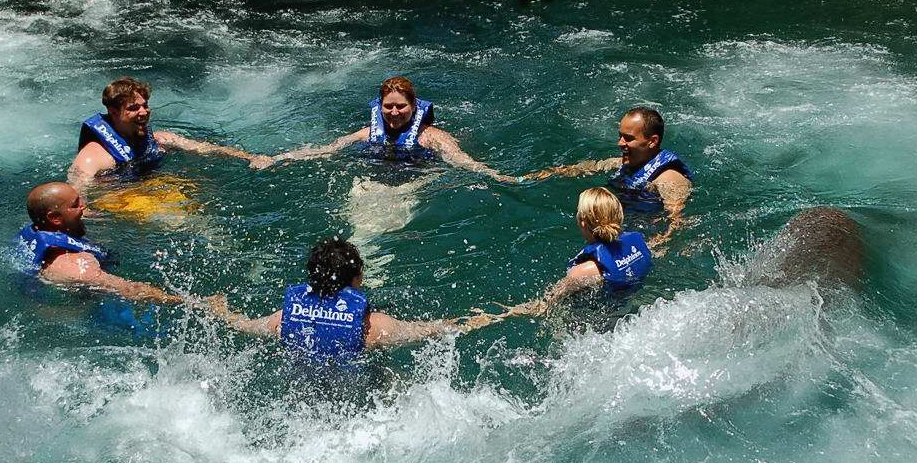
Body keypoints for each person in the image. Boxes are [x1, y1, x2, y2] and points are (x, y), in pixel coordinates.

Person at [209, 238, 493, 360]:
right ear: (357, 277)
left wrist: (216, 308)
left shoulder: (284, 320)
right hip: (359, 400)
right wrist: (510, 312)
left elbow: (241, 324)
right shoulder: (374, 328)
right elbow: (439, 329)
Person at [518, 106, 693, 253]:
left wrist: (651, 248)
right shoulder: (621, 164)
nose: (620, 143)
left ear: (652, 141)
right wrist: (522, 179)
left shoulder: (670, 178)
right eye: (620, 136)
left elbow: (676, 223)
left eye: (628, 138)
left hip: (644, 232)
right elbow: (577, 169)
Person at [274, 76, 515, 182]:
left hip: (415, 182)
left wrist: (495, 176)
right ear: (380, 107)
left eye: (401, 106)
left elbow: (460, 160)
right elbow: (327, 150)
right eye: (388, 106)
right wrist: (277, 158)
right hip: (374, 182)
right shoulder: (365, 132)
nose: (394, 112)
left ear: (413, 106)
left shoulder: (431, 136)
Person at [68, 77, 274, 188]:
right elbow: (76, 188)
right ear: (113, 112)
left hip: (150, 189)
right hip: (118, 197)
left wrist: (250, 157)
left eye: (145, 105)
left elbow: (205, 149)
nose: (143, 112)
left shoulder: (159, 139)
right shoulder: (94, 154)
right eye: (133, 108)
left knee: (203, 188)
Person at [16, 181, 194, 305]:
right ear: (55, 218)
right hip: (85, 316)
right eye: (76, 204)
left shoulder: (37, 231)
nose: (84, 206)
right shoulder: (76, 264)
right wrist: (195, 303)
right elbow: (129, 290)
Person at [495, 187, 653, 318]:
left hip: (596, 329)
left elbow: (544, 306)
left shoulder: (584, 271)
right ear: (619, 216)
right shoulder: (639, 247)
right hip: (628, 314)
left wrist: (499, 316)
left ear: (582, 222)